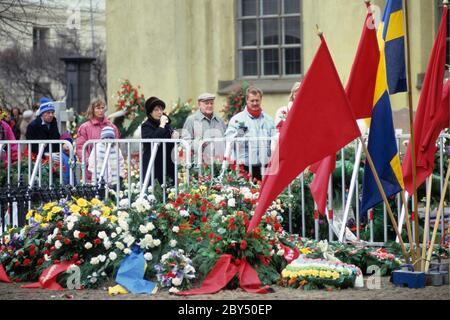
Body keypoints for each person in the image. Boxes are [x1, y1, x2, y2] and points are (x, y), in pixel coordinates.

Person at [224, 86, 275, 181]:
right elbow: (229, 140)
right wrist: (241, 132)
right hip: (245, 167)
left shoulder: (269, 120)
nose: (255, 103)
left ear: (261, 100)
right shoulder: (237, 119)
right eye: (252, 101)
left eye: (257, 100)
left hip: (265, 167)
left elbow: (275, 141)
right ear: (247, 100)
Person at [76, 99, 119, 181]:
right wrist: (87, 162)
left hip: (109, 164)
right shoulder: (85, 127)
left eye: (102, 108)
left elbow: (116, 146)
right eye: (98, 108)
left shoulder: (112, 127)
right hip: (92, 166)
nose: (101, 111)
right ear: (92, 109)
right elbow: (81, 147)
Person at [141, 96, 177, 187]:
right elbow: (153, 140)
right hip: (153, 164)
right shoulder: (146, 126)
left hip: (167, 162)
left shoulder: (166, 125)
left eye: (161, 109)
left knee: (170, 189)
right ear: (150, 112)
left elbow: (170, 143)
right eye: (156, 110)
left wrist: (175, 137)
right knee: (154, 190)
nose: (160, 112)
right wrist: (161, 125)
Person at [182, 92, 226, 163]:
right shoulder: (191, 120)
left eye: (211, 103)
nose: (210, 105)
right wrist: (199, 144)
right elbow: (185, 142)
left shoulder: (219, 119)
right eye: (206, 103)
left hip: (219, 163)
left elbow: (226, 139)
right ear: (199, 105)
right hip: (199, 163)